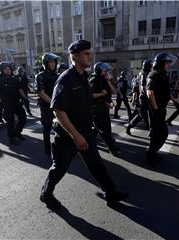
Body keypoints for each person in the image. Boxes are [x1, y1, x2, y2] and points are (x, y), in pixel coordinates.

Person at [40, 40, 129, 209]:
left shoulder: (83, 76)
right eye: (86, 53)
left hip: (85, 131)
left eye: (90, 53)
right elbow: (58, 111)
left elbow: (85, 102)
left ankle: (110, 193)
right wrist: (76, 136)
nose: (90, 56)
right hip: (69, 135)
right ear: (74, 56)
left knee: (97, 164)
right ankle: (46, 194)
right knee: (59, 168)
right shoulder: (66, 79)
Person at [146, 52, 177, 164]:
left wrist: (173, 99)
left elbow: (166, 90)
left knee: (158, 133)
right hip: (156, 109)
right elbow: (150, 92)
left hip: (161, 108)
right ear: (161, 63)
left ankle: (152, 152)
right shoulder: (154, 74)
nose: (169, 64)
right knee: (162, 133)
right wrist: (156, 108)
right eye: (167, 62)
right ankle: (150, 153)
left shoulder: (162, 74)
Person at [0, 61, 28, 145]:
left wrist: (25, 98)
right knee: (10, 122)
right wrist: (0, 103)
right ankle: (12, 138)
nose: (8, 70)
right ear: (1, 70)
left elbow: (19, 89)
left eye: (9, 69)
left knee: (23, 118)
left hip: (16, 102)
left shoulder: (14, 79)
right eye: (6, 69)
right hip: (6, 103)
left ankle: (17, 133)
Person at [89, 62, 120, 155]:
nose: (106, 71)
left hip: (104, 107)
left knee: (106, 127)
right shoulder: (93, 80)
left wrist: (108, 81)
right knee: (102, 129)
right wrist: (101, 94)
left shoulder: (104, 79)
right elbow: (90, 95)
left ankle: (91, 142)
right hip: (96, 108)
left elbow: (113, 91)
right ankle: (111, 148)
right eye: (104, 70)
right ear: (99, 70)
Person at [36, 53, 60, 155]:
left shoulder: (57, 75)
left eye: (54, 61)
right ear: (45, 63)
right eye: (50, 62)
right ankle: (47, 147)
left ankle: (60, 146)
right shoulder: (40, 76)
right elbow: (41, 92)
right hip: (46, 105)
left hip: (57, 105)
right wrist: (52, 103)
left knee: (62, 126)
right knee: (47, 126)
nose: (53, 64)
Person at [126, 59, 152, 135]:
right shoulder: (143, 73)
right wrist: (148, 95)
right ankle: (129, 126)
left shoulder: (144, 73)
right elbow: (144, 87)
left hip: (144, 97)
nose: (151, 67)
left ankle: (150, 130)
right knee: (141, 115)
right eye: (150, 66)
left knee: (150, 114)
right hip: (144, 98)